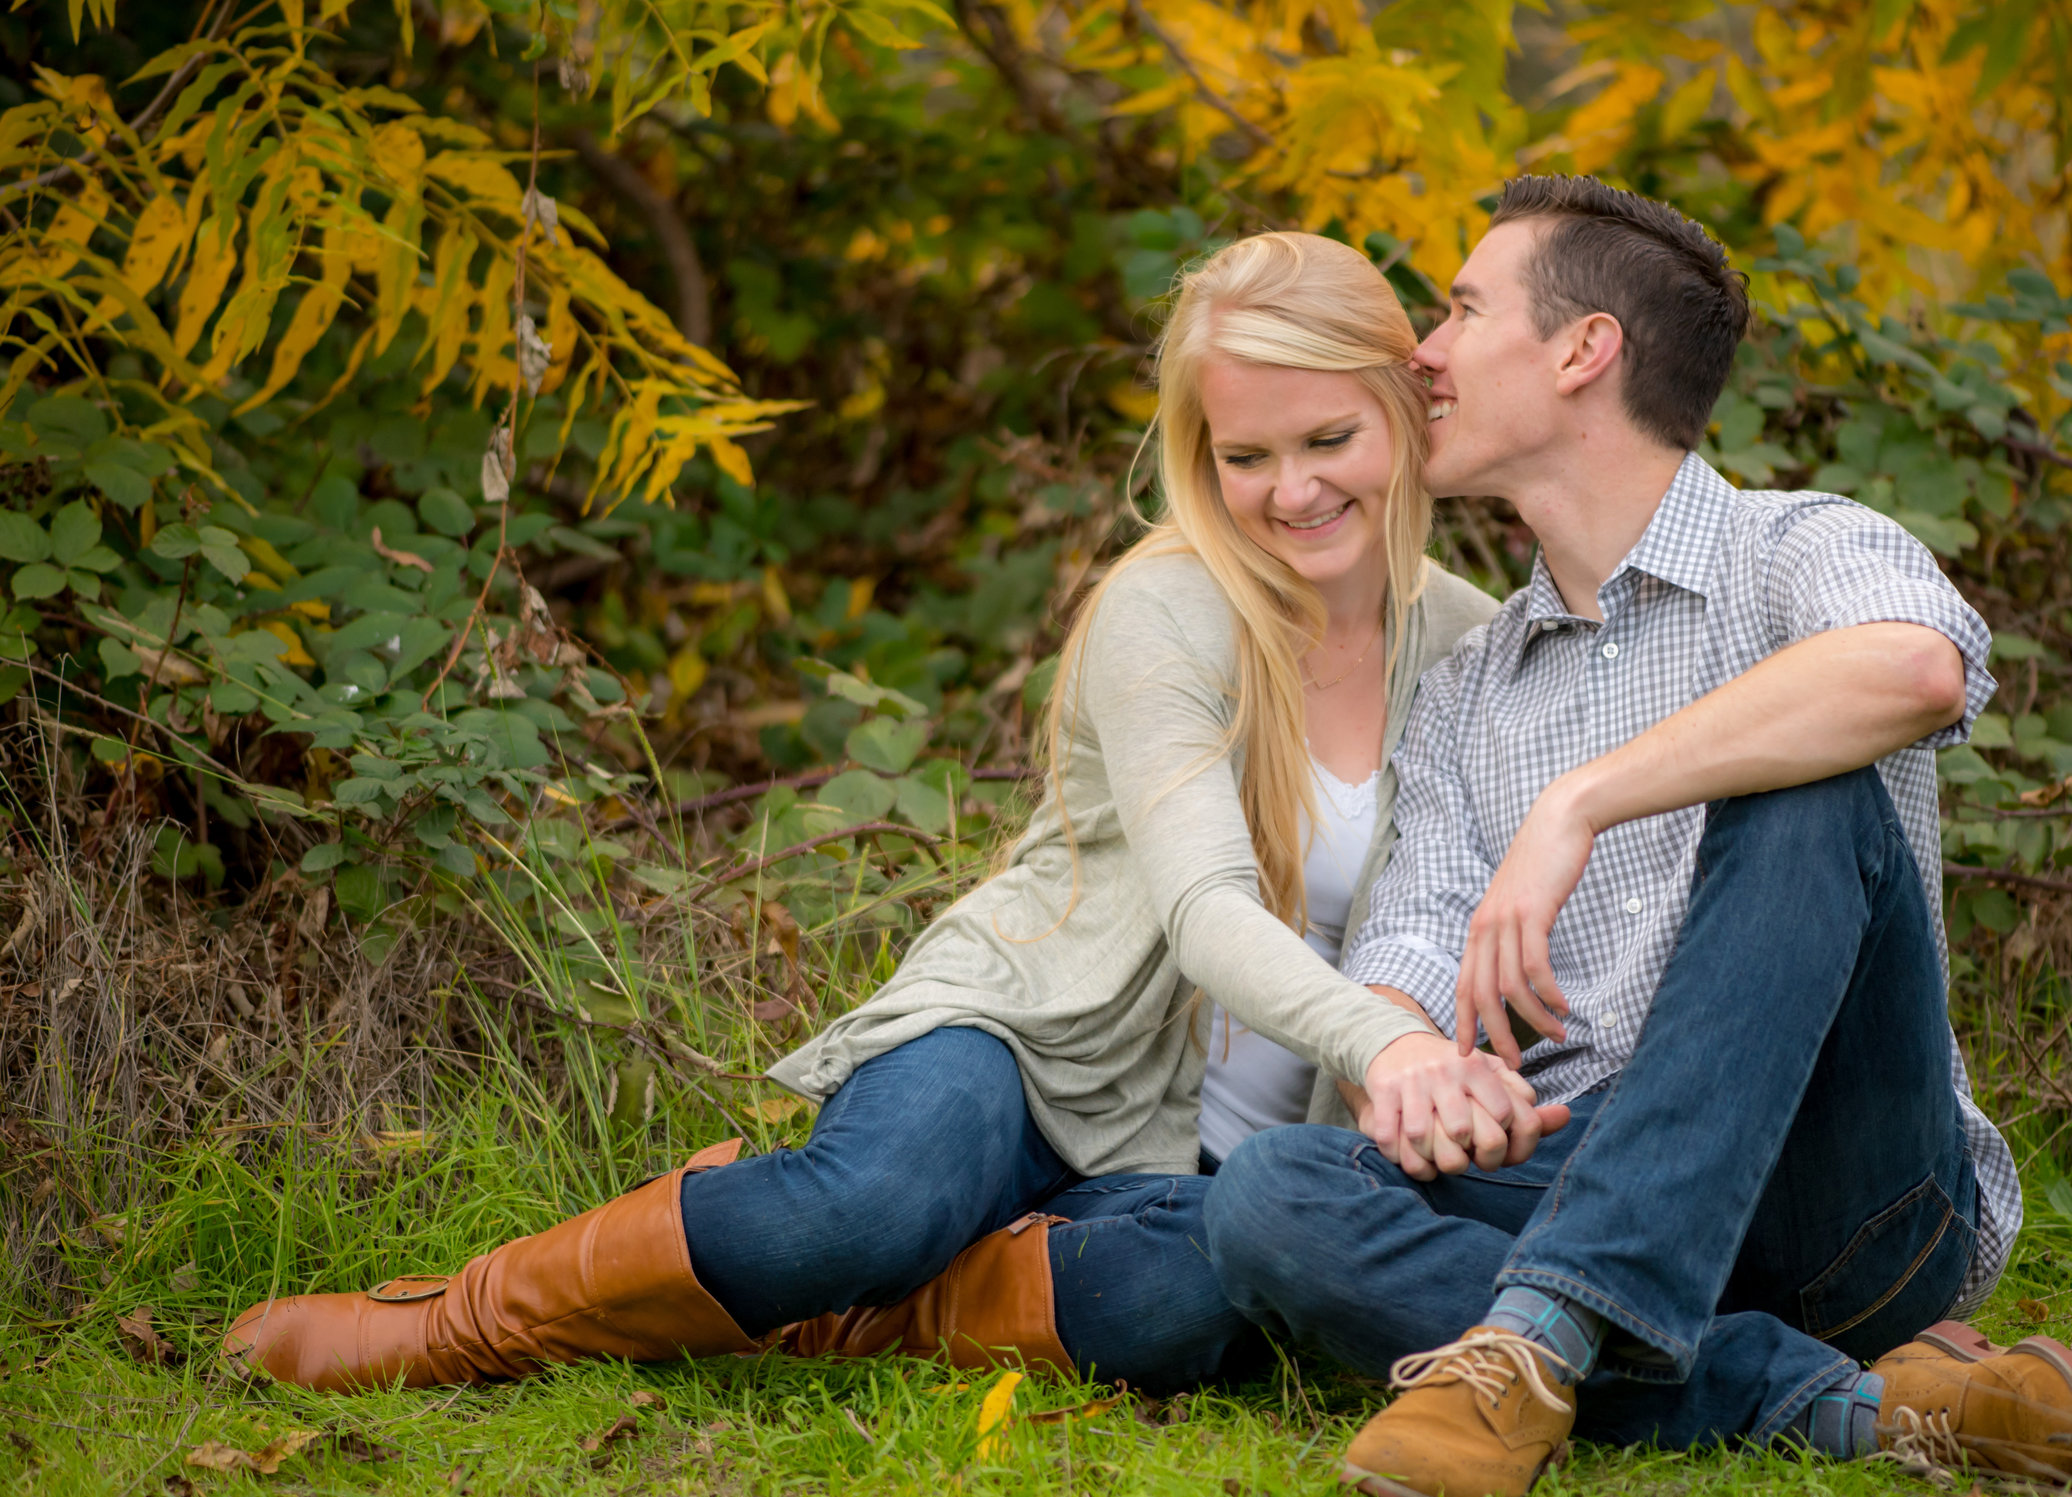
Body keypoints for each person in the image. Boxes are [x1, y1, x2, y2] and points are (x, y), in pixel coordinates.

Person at [219, 231, 1562, 1398]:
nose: (1292, 491)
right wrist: (1388, 1047)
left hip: (1211, 1159)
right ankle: (462, 1324)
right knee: (867, 1201)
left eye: (1330, 438)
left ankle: (871, 1312)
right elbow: (1208, 907)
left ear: (1404, 411)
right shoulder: (1173, 607)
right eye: (1247, 454)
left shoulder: (1468, 645)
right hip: (1028, 1043)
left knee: (1208, 1301)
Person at [1203, 177, 2072, 1497]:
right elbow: (1410, 935)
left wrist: (1584, 800)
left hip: (1846, 1201)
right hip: (1576, 1163)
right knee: (1275, 1194)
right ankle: (1858, 1405)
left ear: (1584, 350)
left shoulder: (1798, 548)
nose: (1424, 351)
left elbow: (1918, 669)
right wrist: (1421, 1065)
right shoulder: (1470, 688)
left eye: (1462, 308)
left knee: (1809, 788)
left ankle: (1531, 1346)